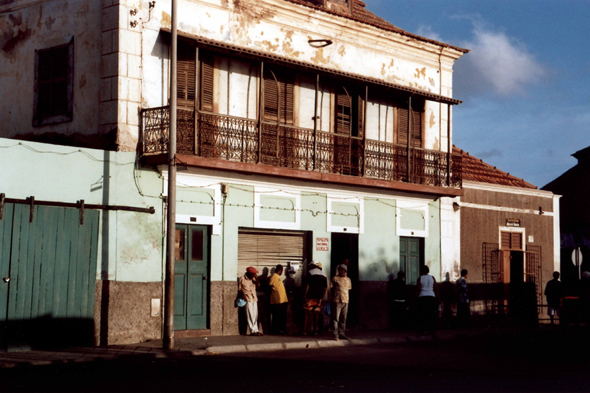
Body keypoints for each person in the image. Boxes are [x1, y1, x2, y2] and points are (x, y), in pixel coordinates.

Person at [302, 261, 328, 335]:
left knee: (306, 313)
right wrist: (321, 297)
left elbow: (308, 285)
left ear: (313, 266)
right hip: (318, 298)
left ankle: (304, 331)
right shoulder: (324, 275)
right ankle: (315, 331)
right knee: (316, 314)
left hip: (309, 297)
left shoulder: (310, 273)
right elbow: (325, 288)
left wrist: (305, 295)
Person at [238, 266, 262, 336]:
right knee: (250, 314)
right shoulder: (242, 279)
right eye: (253, 274)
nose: (254, 275)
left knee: (255, 314)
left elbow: (258, 287)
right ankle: (252, 330)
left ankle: (256, 329)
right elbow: (240, 289)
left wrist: (257, 279)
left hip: (254, 297)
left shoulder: (253, 279)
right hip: (247, 298)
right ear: (249, 273)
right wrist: (243, 295)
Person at [416, 265, 439, 338]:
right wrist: (438, 298)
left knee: (422, 315)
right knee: (431, 315)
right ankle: (431, 331)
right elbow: (435, 288)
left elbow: (418, 289)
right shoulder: (432, 278)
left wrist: (416, 298)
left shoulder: (420, 278)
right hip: (431, 297)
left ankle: (421, 330)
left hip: (422, 297)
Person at [332, 264, 352, 341]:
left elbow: (348, 289)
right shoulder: (335, 278)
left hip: (346, 300)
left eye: (344, 270)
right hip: (337, 300)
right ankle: (335, 335)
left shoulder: (348, 279)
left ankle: (342, 334)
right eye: (341, 270)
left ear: (346, 271)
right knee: (336, 319)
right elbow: (332, 287)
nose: (342, 271)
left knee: (343, 319)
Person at [268, 264, 288, 334]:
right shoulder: (274, 276)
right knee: (276, 316)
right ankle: (275, 330)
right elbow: (270, 286)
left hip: (281, 300)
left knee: (281, 316)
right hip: (276, 301)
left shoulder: (278, 277)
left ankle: (281, 329)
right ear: (280, 270)